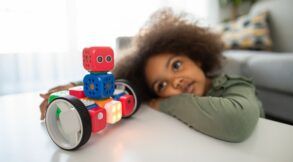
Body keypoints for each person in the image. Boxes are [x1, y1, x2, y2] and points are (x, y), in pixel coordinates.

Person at [39, 8, 264, 142]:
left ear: (196, 57)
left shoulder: (235, 85)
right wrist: (73, 90)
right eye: (161, 85)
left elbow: (236, 122)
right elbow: (116, 85)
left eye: (176, 65)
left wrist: (164, 103)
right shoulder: (151, 94)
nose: (175, 81)